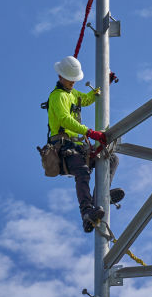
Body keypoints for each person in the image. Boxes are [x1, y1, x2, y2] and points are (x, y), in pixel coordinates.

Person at [45, 55, 123, 232]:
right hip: (64, 148)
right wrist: (90, 132)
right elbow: (65, 120)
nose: (72, 82)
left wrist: (104, 85)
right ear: (60, 76)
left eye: (74, 79)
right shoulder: (57, 96)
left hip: (78, 147)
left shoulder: (72, 94)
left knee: (112, 160)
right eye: (69, 79)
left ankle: (100, 197)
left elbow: (87, 99)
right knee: (82, 172)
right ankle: (87, 212)